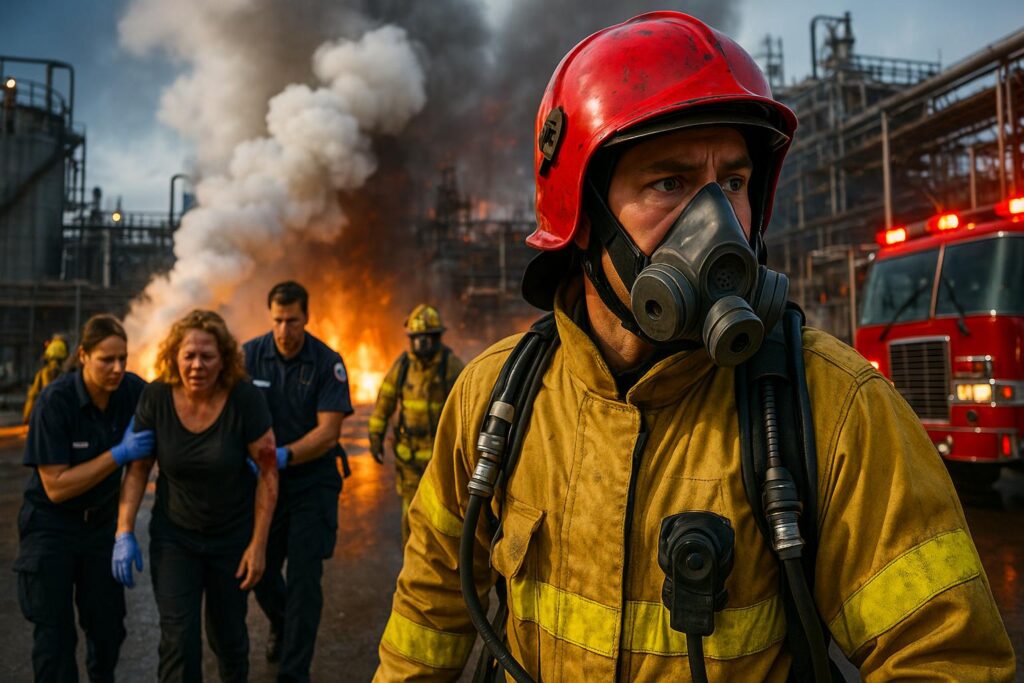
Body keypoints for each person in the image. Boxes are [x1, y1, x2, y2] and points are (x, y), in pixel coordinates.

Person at [374, 12, 1015, 681]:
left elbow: (945, 657)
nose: (717, 224)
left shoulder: (833, 404)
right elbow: (427, 621)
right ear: (583, 216)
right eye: (670, 183)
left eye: (733, 182)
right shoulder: (493, 397)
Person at [114, 309, 278, 683]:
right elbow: (138, 469)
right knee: (178, 640)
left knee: (229, 640)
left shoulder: (244, 398)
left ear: (224, 360)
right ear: (175, 355)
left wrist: (258, 545)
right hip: (176, 538)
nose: (197, 365)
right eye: (189, 355)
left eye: (208, 356)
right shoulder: (156, 396)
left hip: (231, 539)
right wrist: (123, 531)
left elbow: (268, 471)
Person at [14, 315, 151, 682]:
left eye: (123, 358)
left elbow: (173, 408)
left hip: (100, 527)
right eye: (107, 359)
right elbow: (56, 486)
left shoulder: (132, 392)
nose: (118, 368)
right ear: (84, 356)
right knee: (54, 637)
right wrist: (117, 455)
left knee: (108, 629)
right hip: (51, 527)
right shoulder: (55, 401)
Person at [243, 281, 353, 680]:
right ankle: (282, 623)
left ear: (307, 317)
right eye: (277, 320)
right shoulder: (250, 356)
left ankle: (294, 672)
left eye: (292, 321)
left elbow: (329, 433)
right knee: (260, 572)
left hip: (312, 481)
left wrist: (283, 456)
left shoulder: (327, 362)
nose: (284, 331)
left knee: (305, 582)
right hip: (262, 484)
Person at [368, 304, 464, 544]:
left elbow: (467, 407)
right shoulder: (402, 367)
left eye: (427, 338)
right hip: (408, 460)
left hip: (440, 460)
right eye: (417, 338)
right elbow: (385, 401)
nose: (422, 343)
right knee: (411, 517)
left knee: (444, 519)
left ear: (437, 337)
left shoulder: (451, 367)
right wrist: (375, 433)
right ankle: (412, 574)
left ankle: (441, 573)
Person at [23, 334, 69, 423]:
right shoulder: (63, 345)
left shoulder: (44, 372)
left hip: (51, 369)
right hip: (60, 369)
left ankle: (28, 416)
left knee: (37, 392)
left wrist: (27, 415)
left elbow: (33, 395)